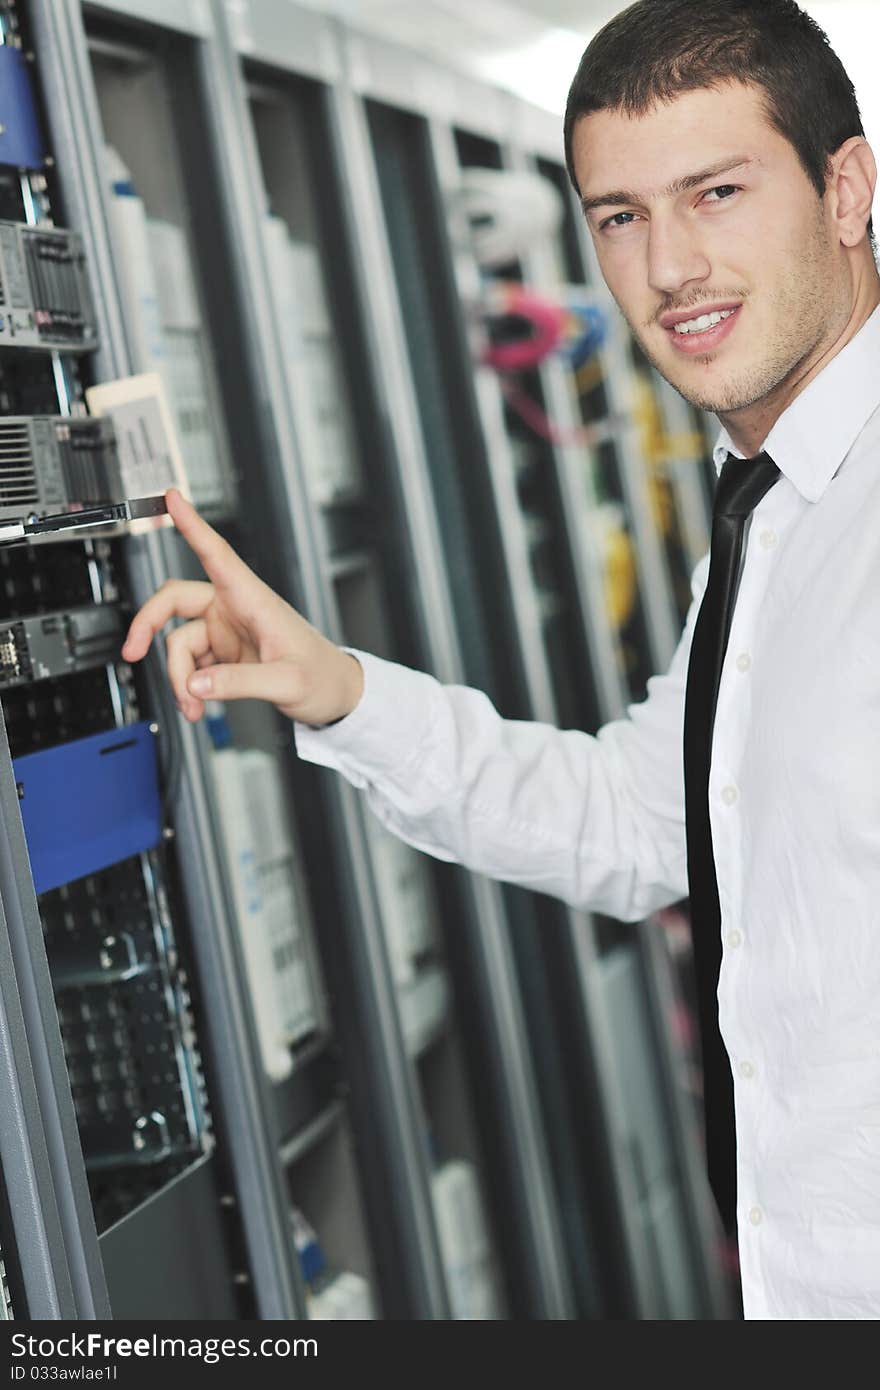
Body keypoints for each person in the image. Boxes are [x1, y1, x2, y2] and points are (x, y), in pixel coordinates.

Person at [122, 0, 880, 1320]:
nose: (670, 267)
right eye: (621, 218)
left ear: (848, 188)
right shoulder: (774, 515)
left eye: (717, 192)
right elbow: (648, 820)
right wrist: (340, 689)